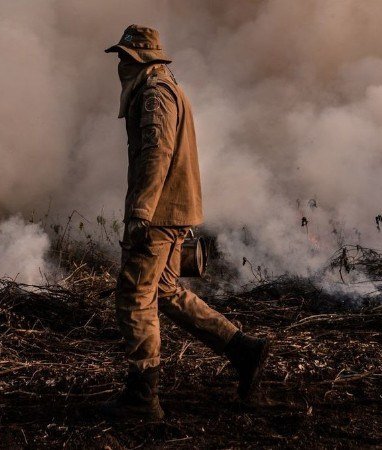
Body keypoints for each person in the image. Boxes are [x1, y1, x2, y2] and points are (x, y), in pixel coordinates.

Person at [100, 25, 270, 420]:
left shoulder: (155, 94)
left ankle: (143, 396)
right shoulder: (166, 86)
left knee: (135, 296)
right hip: (173, 212)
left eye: (125, 57)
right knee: (166, 292)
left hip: (158, 216)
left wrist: (140, 212)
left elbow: (155, 155)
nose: (120, 64)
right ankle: (243, 350)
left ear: (140, 58)